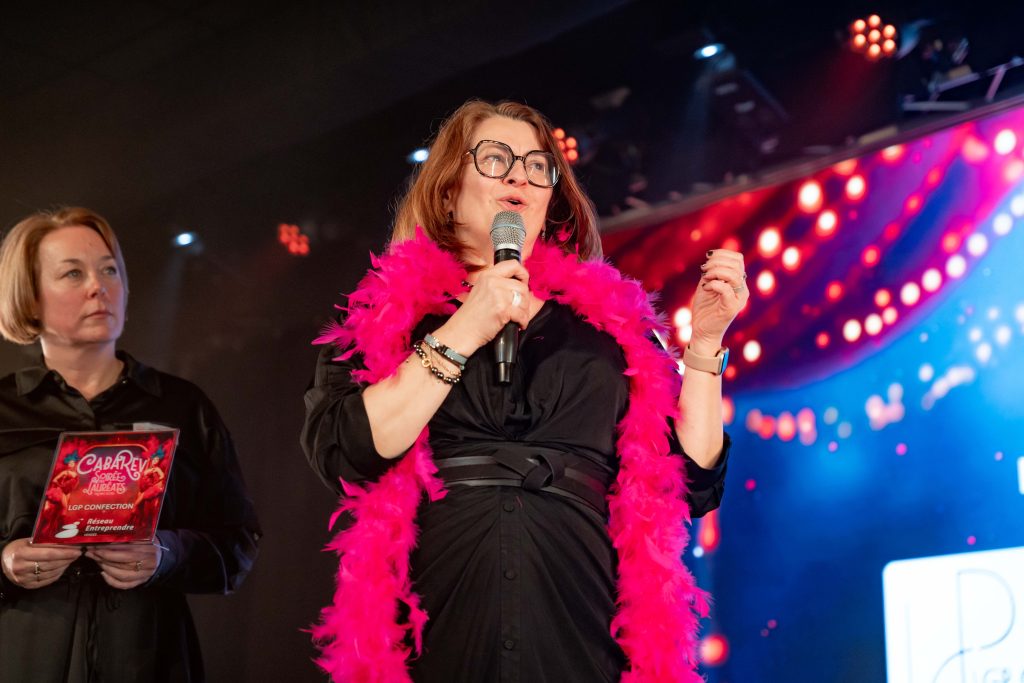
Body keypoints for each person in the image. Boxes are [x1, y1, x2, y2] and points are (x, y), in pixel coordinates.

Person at [301, 100, 749, 682]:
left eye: (538, 167)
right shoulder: (384, 315)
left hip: (581, 612)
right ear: (447, 193)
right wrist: (466, 326)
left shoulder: (611, 329)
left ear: (549, 201)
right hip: (440, 614)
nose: (519, 176)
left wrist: (706, 345)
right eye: (496, 159)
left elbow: (689, 480)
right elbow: (345, 451)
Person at [0, 207, 261, 682]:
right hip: (21, 656)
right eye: (73, 273)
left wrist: (166, 554)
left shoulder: (182, 406)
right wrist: (4, 562)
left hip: (149, 658)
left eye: (109, 270)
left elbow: (238, 542)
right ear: (29, 298)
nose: (98, 287)